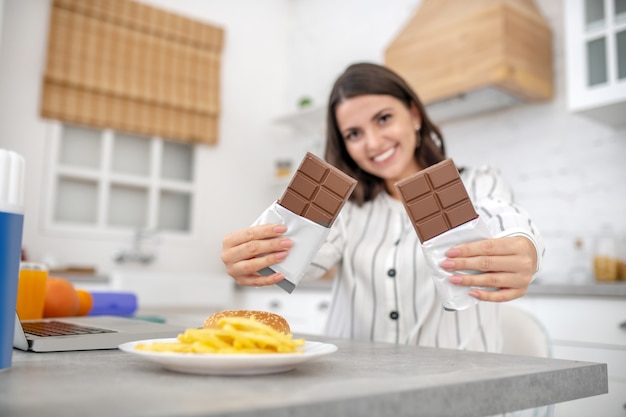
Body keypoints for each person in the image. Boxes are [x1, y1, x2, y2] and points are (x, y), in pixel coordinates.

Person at [221, 62, 544, 352]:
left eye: (384, 119)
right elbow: (295, 261)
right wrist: (256, 257)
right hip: (355, 389)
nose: (374, 143)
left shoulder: (476, 184)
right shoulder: (345, 211)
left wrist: (524, 246)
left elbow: (504, 217)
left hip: (457, 393)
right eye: (354, 134)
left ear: (414, 115)